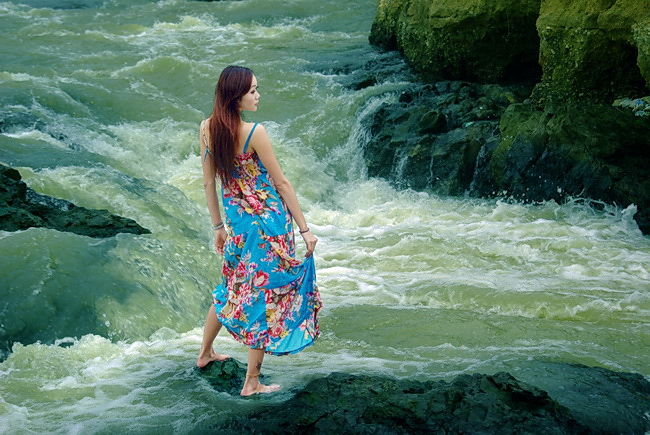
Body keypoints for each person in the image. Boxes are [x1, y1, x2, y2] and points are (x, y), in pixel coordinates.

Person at [196, 65, 322, 396]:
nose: (257, 95)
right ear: (236, 96)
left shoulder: (207, 128)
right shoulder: (255, 133)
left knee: (232, 288)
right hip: (267, 228)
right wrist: (305, 229)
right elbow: (280, 183)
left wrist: (218, 227)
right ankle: (251, 382)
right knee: (263, 298)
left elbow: (209, 181)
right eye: (252, 90)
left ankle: (205, 353)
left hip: (237, 227)